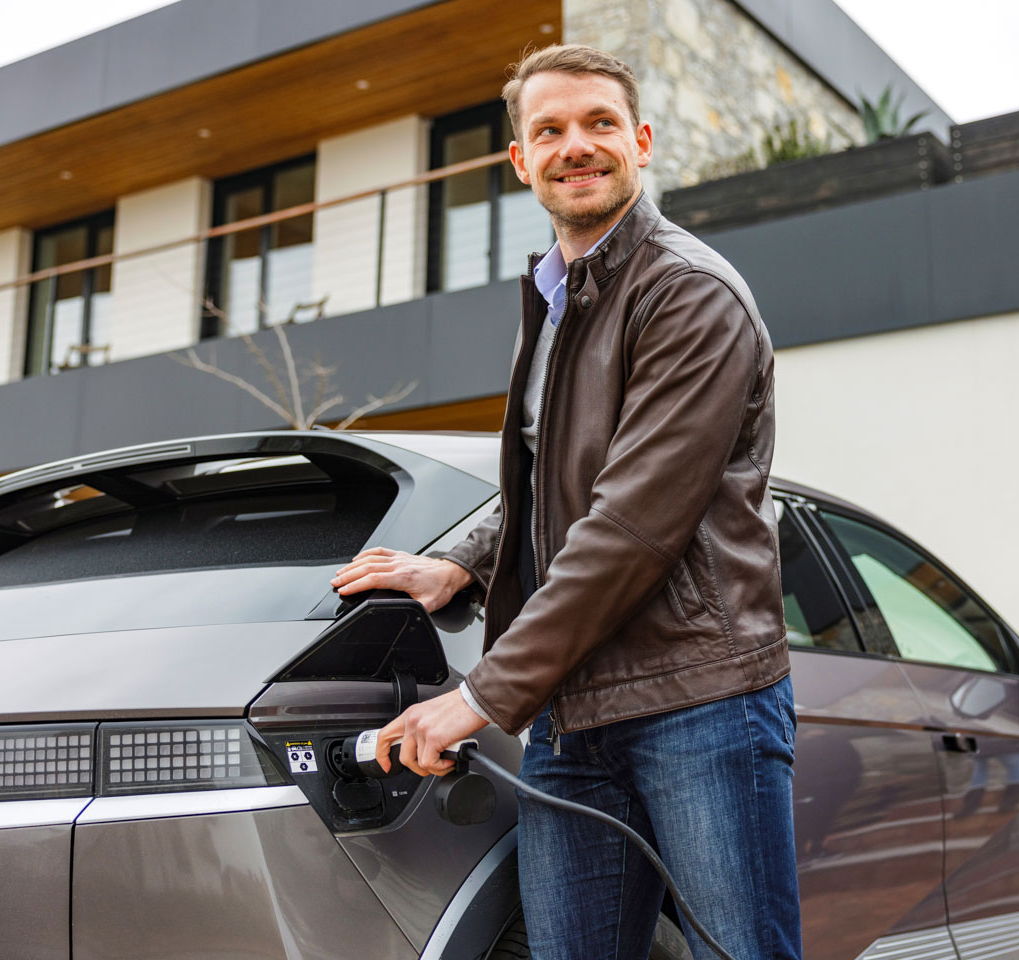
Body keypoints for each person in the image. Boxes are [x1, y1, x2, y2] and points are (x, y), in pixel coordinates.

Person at [329, 44, 800, 960]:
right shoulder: (557, 296)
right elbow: (552, 480)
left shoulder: (688, 294)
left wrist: (482, 697)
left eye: (598, 125)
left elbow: (630, 526)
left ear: (643, 142)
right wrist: (460, 560)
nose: (574, 146)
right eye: (549, 130)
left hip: (698, 701)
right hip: (575, 712)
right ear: (520, 161)